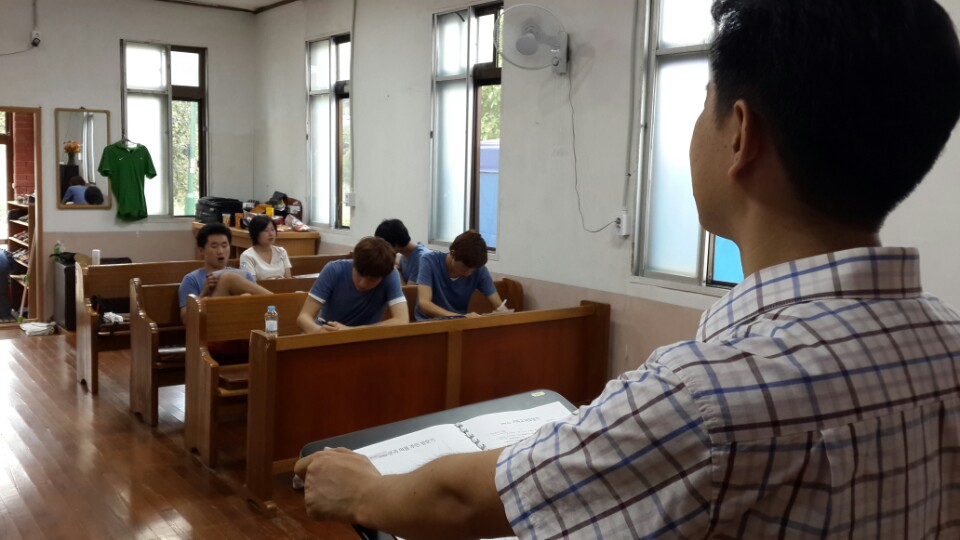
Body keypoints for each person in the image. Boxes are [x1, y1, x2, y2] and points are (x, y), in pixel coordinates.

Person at [294, 0, 960, 537]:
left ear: (740, 133)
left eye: (703, 102)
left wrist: (367, 491)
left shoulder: (704, 395)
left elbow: (467, 503)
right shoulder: (949, 347)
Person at [297, 236, 409, 332]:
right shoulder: (333, 270)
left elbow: (402, 320)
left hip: (364, 340)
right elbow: (303, 317)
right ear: (354, 263)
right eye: (359, 274)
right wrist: (318, 331)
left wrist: (351, 331)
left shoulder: (390, 275)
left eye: (372, 280)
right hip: (327, 334)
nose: (363, 284)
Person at [178, 222, 272, 322]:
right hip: (210, 325)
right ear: (201, 250)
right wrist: (204, 293)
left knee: (246, 296)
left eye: (224, 245)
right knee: (228, 278)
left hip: (244, 324)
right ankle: (280, 304)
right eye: (214, 246)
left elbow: (259, 306)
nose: (220, 251)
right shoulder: (191, 279)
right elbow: (186, 320)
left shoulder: (245, 275)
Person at [414, 230, 506, 320]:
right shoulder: (429, 261)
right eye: (465, 268)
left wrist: (502, 311)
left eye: (473, 270)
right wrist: (460, 317)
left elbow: (499, 305)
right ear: (453, 254)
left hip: (459, 324)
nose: (468, 274)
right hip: (429, 323)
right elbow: (424, 304)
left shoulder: (479, 269)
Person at [374, 218, 430, 284]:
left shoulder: (421, 259)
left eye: (384, 246)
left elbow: (408, 290)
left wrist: (397, 271)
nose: (384, 250)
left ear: (395, 244)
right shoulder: (405, 254)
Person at [239, 215, 292, 280]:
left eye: (272, 230)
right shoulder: (247, 256)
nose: (271, 234)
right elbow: (251, 283)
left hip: (283, 286)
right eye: (266, 230)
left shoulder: (281, 251)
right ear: (256, 233)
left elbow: (289, 280)